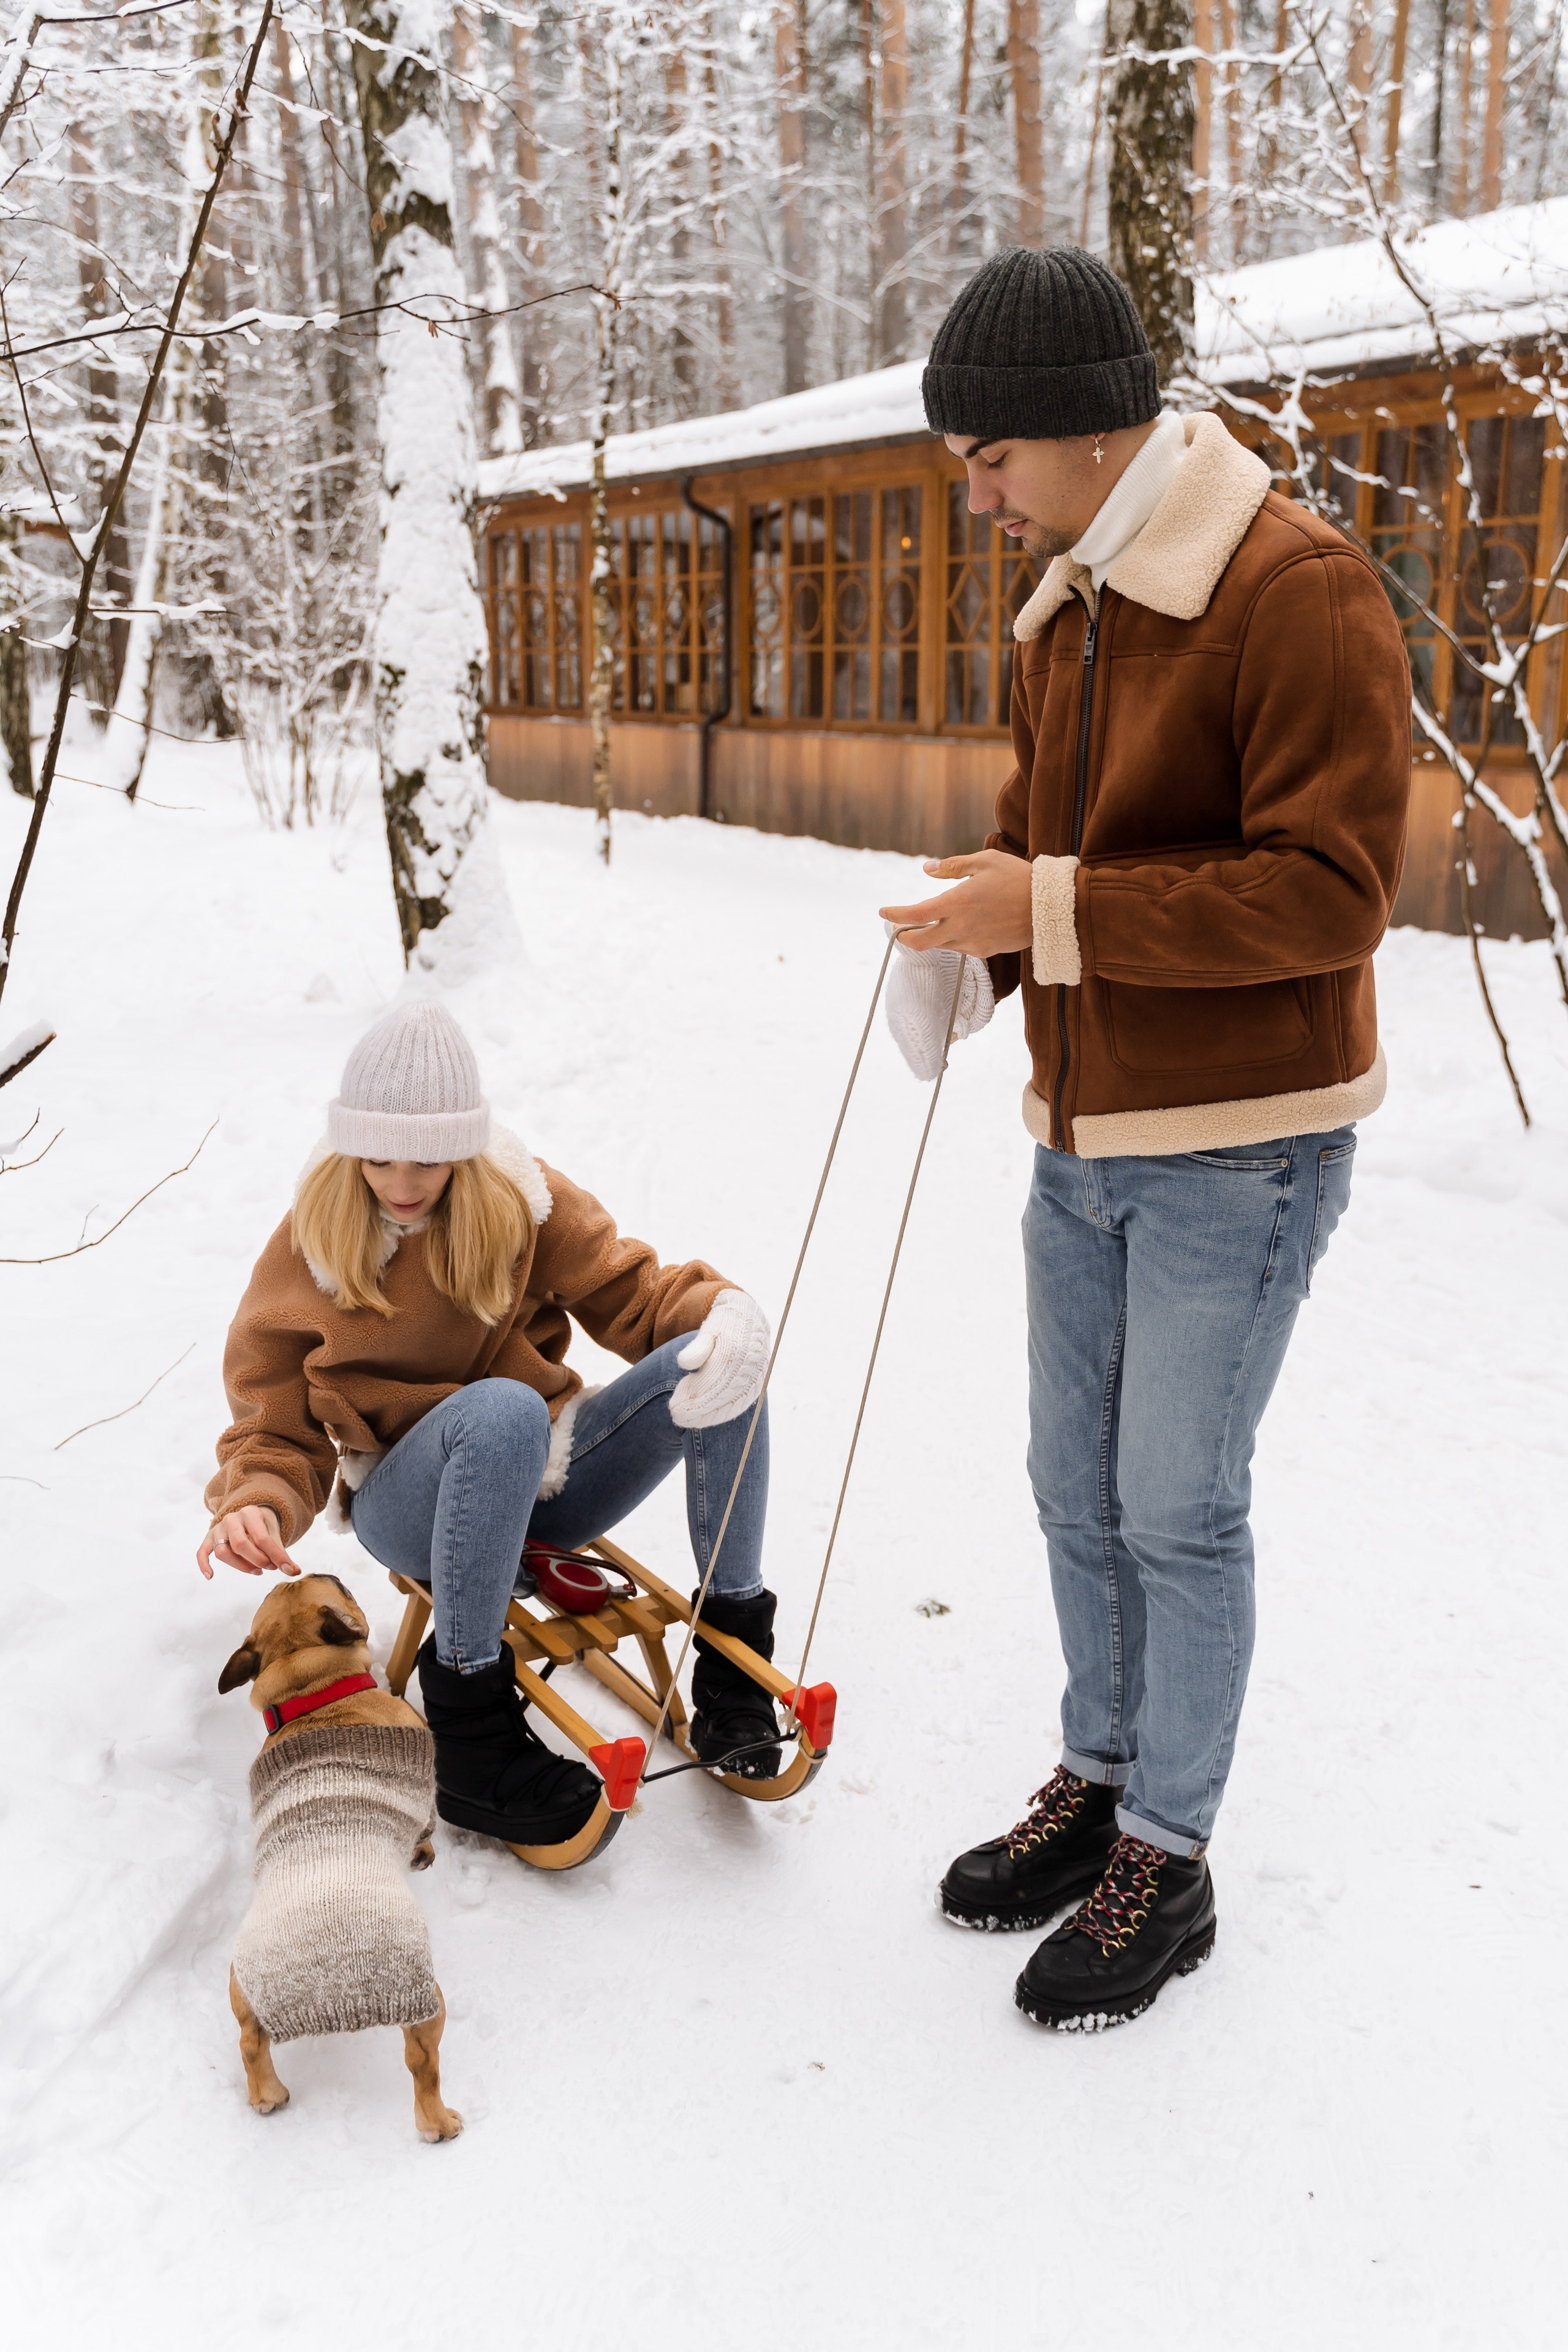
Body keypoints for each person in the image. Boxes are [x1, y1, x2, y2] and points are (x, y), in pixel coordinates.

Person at [880, 246, 1411, 2030]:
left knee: (1177, 1509)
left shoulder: (1298, 595)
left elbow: (1329, 897)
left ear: (1084, 432)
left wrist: (1055, 907)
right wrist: (986, 935)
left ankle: (1167, 1858)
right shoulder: (1072, 600)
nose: (978, 490)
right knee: (1070, 1487)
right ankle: (1100, 1777)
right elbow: (1052, 847)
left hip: (1239, 1150)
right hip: (1085, 1131)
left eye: (990, 456)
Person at [198, 1000, 778, 1854]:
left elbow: (633, 1290)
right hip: (413, 1506)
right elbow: (274, 1419)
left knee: (716, 1366)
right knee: (501, 1410)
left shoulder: (517, 1200)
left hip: (543, 1476)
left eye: (429, 1160)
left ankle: (734, 1664)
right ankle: (470, 1721)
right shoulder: (310, 1243)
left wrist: (722, 1317)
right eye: (380, 1158)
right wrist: (256, 1499)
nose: (402, 1182)